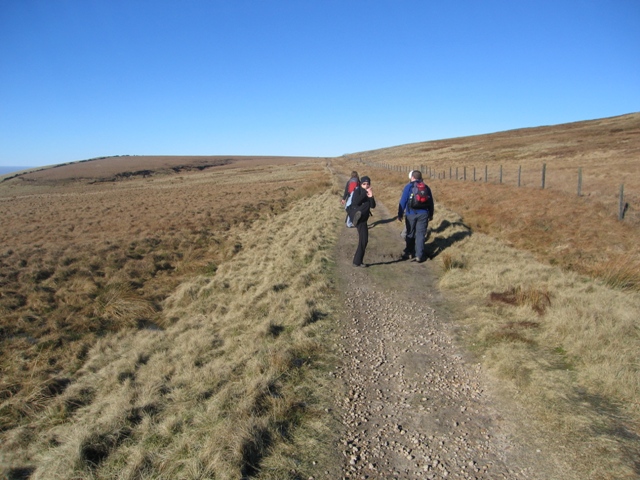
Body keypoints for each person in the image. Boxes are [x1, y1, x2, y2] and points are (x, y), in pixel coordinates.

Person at [397, 170, 434, 263]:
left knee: (410, 233)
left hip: (410, 214)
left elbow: (403, 201)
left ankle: (409, 252)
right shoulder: (426, 187)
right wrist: (431, 214)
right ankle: (419, 256)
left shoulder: (408, 187)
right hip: (424, 214)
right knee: (420, 235)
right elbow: (431, 202)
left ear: (412, 177)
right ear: (420, 177)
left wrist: (400, 214)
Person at [349, 175, 376, 267]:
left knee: (364, 240)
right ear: (360, 184)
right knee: (365, 205)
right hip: (355, 215)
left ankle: (357, 261)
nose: (366, 185)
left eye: (368, 184)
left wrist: (371, 196)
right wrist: (365, 192)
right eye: (364, 184)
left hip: (363, 220)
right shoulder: (357, 191)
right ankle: (357, 216)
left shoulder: (368, 193)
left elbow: (373, 206)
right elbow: (355, 202)